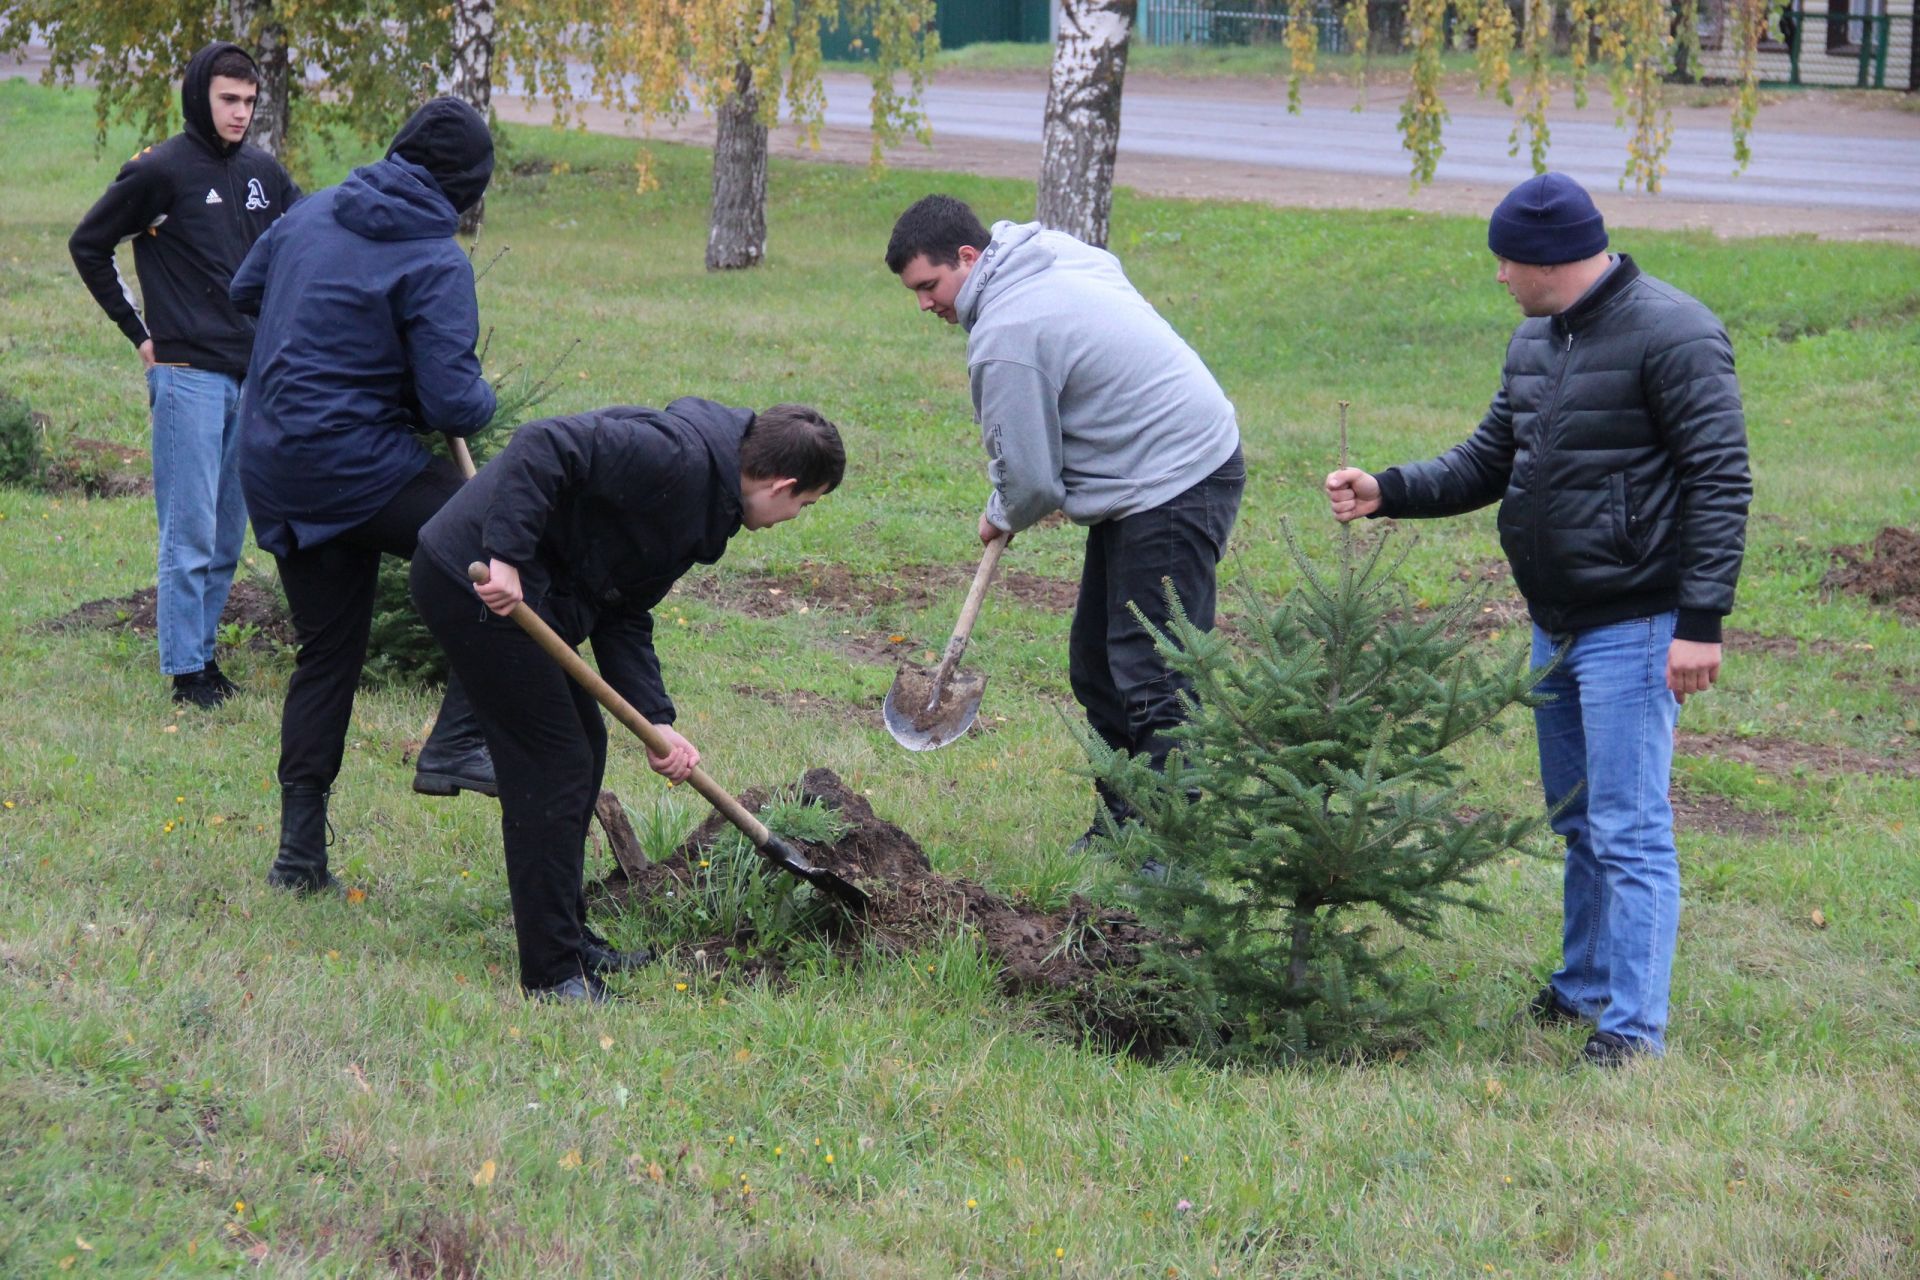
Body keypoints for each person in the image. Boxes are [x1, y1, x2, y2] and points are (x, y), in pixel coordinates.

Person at [1323, 172, 1752, 1067]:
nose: (1498, 278)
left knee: (1629, 828)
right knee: (1578, 818)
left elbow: (1720, 480)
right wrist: (1388, 489)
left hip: (1636, 621)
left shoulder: (1675, 333)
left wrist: (1700, 621)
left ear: (1547, 260)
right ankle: (1585, 984)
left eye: (1504, 263)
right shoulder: (1535, 339)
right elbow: (1491, 458)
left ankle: (1632, 1030)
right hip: (1554, 622)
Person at [409, 401, 845, 1001]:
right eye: (806, 504)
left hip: (534, 598)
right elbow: (542, 443)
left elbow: (624, 608)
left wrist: (656, 722)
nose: (797, 516)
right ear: (782, 485)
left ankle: (569, 938)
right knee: (553, 765)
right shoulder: (675, 456)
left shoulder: (708, 500)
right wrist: (506, 555)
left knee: (581, 749)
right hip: (478, 583)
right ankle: (552, 972)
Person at [886, 194, 1245, 853]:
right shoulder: (1044, 249)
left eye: (929, 286)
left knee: (1152, 671)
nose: (925, 304)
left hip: (1176, 477)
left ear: (969, 257)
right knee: (1096, 666)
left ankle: (1167, 848)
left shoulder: (1005, 337)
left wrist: (1001, 511)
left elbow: (1030, 484)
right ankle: (1119, 826)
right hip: (1138, 472)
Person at [230, 97, 500, 894]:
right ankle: (456, 737)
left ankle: (298, 861)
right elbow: (455, 405)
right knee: (509, 543)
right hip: (355, 466)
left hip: (274, 462)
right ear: (466, 188)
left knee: (328, 654)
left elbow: (247, 288)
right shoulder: (437, 259)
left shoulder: (311, 214)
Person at [68, 43, 299, 709]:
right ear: (201, 95)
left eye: (250, 102)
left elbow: (305, 242)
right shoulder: (159, 172)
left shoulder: (264, 173)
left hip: (252, 378)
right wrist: (140, 335)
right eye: (229, 99)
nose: (240, 113)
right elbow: (89, 245)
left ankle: (207, 657)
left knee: (228, 533)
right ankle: (185, 671)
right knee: (190, 531)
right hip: (186, 375)